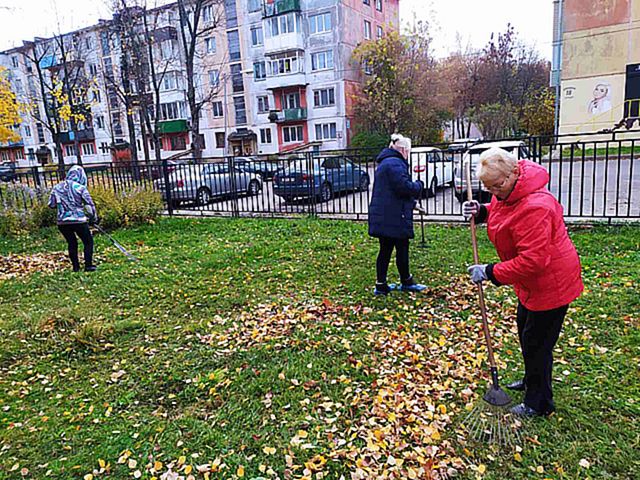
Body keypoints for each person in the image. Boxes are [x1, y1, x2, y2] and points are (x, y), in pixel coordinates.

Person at [463, 147, 583, 417]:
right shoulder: (511, 192)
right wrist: (481, 211)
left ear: (513, 173)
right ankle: (532, 381)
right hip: (532, 284)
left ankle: (539, 402)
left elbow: (533, 261)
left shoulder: (535, 206)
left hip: (551, 283)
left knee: (537, 343)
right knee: (526, 331)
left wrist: (490, 271)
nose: (494, 192)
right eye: (488, 188)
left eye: (497, 185)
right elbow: (501, 210)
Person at [368, 134, 427, 295]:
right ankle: (406, 282)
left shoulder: (386, 162)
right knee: (401, 248)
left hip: (385, 214)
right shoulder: (395, 163)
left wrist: (413, 204)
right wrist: (418, 186)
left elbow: (392, 192)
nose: (408, 154)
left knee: (385, 249)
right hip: (394, 217)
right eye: (408, 151)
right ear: (403, 150)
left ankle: (381, 284)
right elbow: (403, 187)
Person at [48, 165, 98, 272]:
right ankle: (88, 265)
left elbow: (51, 205)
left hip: (62, 222)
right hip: (78, 220)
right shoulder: (80, 188)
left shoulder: (56, 187)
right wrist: (93, 218)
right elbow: (89, 206)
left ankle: (76, 267)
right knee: (88, 242)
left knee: (72, 243)